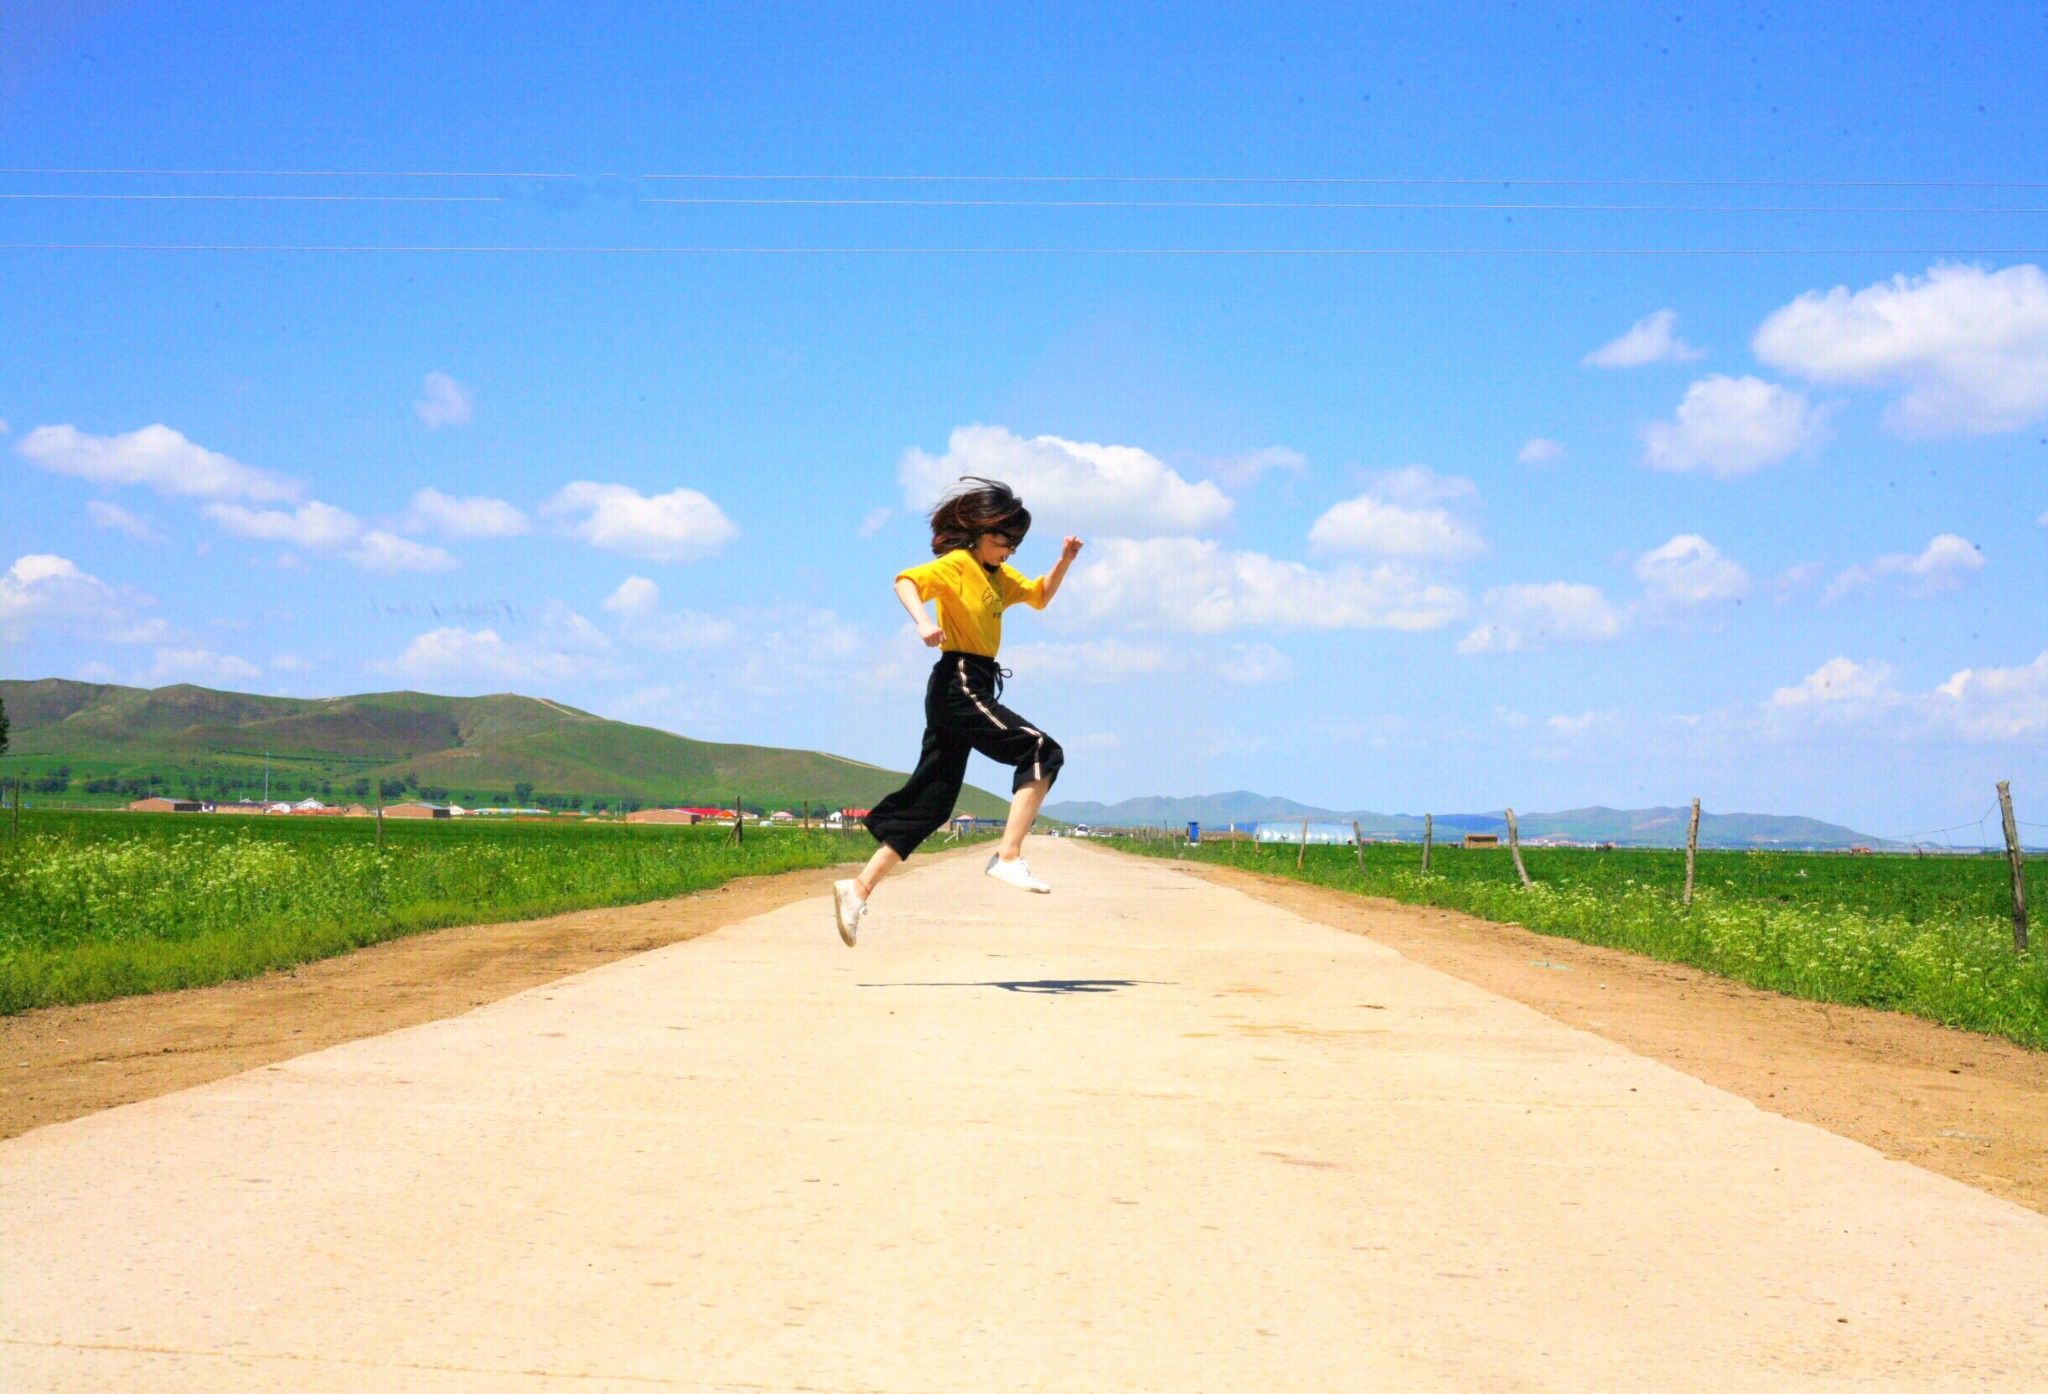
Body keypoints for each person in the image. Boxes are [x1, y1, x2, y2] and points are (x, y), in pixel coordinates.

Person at [834, 477, 1083, 946]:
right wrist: (924, 622)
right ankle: (1007, 856)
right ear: (977, 531)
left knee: (933, 800)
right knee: (1040, 749)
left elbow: (1041, 596)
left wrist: (1063, 561)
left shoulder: (997, 577)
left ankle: (858, 889)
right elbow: (906, 580)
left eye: (1014, 543)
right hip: (959, 680)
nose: (1008, 550)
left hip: (972, 681)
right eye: (1002, 540)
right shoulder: (957, 564)